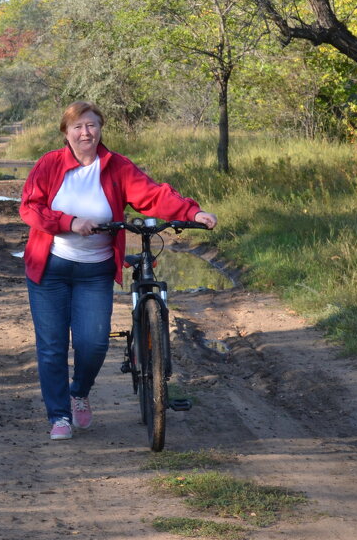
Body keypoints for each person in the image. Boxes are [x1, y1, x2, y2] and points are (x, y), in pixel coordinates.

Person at [19, 101, 217, 440]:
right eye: (78, 126)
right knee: (51, 345)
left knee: (93, 342)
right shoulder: (49, 164)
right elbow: (30, 208)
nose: (86, 132)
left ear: (100, 129)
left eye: (92, 125)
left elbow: (153, 195)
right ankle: (59, 416)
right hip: (50, 267)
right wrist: (70, 222)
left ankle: (78, 392)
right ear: (66, 132)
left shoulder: (116, 166)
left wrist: (191, 212)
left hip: (95, 271)